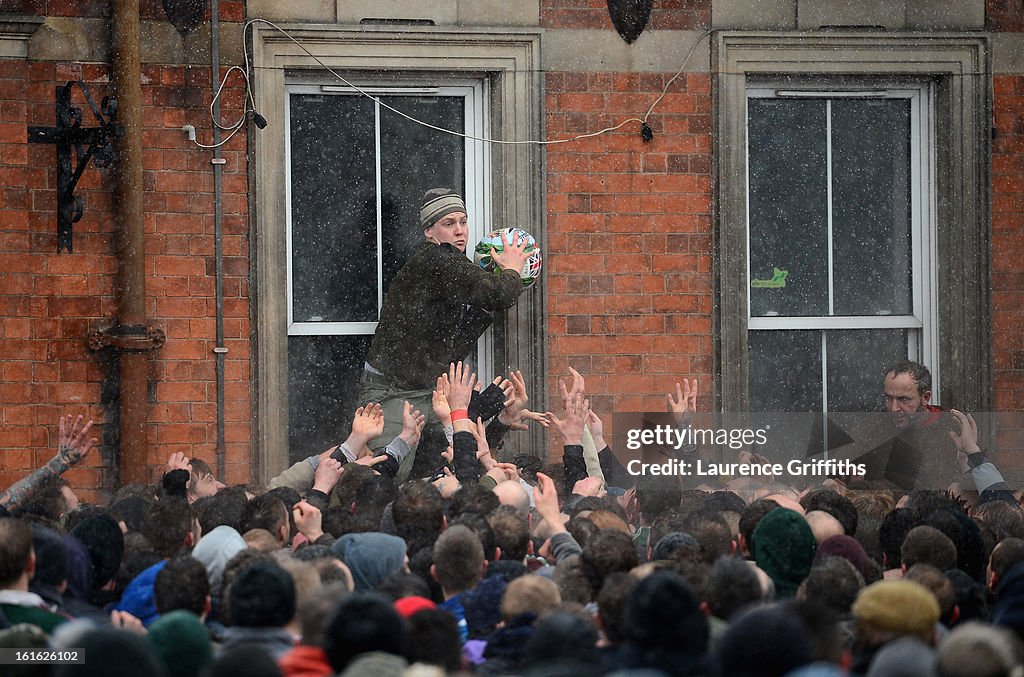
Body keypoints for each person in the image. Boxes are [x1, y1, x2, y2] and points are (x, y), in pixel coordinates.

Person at [357, 188, 533, 480]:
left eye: (463, 222)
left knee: (468, 455)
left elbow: (449, 344)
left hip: (425, 388)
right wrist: (512, 269)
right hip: (392, 391)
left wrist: (489, 407)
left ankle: (499, 426)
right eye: (449, 224)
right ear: (429, 231)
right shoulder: (436, 260)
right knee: (384, 478)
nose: (460, 231)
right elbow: (499, 294)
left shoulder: (447, 267)